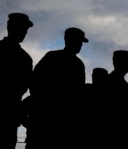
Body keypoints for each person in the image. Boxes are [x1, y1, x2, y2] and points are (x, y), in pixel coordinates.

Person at [28, 27, 89, 149]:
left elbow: (79, 92)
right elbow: (35, 82)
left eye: (81, 42)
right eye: (78, 41)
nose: (80, 45)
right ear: (68, 40)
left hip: (65, 121)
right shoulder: (52, 57)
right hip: (46, 119)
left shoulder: (78, 64)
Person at [0, 13, 33, 149]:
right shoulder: (24, 58)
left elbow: (27, 87)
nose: (24, 32)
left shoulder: (25, 58)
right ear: (10, 27)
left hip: (10, 119)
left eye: (25, 29)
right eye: (22, 28)